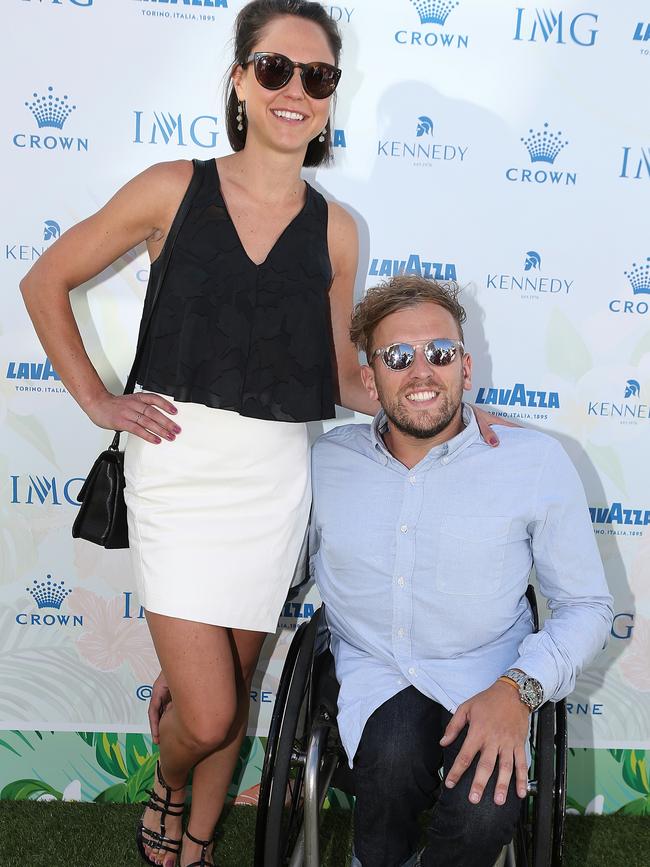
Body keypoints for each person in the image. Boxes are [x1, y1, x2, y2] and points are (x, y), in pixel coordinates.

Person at [19, 3, 504, 865]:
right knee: (204, 715)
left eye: (317, 78)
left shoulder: (338, 229)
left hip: (275, 479)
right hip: (176, 467)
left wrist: (446, 403)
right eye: (276, 69)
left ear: (330, 99)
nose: (296, 92)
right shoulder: (172, 187)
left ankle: (197, 841)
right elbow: (44, 280)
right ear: (240, 78)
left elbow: (345, 376)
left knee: (233, 694)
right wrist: (98, 400)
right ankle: (169, 782)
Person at [310, 275, 613, 867]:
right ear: (370, 378)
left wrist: (518, 690)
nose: (422, 371)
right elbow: (267, 575)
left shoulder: (535, 462)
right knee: (391, 763)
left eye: (440, 353)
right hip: (376, 670)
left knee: (483, 811)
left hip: (490, 669)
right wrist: (201, 664)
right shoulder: (325, 464)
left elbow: (586, 607)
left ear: (465, 368)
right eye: (399, 356)